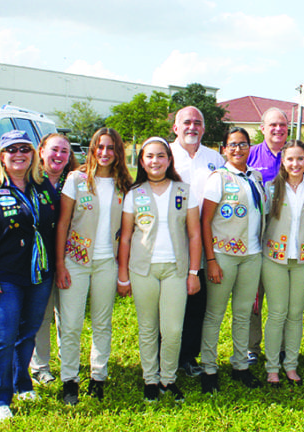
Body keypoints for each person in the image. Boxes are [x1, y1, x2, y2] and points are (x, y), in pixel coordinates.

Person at [0, 130, 57, 422]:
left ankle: (22, 384)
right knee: (4, 337)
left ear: (33, 155)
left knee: (28, 332)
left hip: (39, 275)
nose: (19, 154)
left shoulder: (43, 187)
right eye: (11, 150)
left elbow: (57, 223)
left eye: (25, 149)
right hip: (4, 275)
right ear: (1, 157)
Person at [117, 137, 202, 401]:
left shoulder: (184, 190)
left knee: (173, 329)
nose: (155, 161)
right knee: (148, 327)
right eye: (149, 156)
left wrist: (193, 272)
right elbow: (127, 236)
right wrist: (122, 276)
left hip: (176, 269)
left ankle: (168, 379)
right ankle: (150, 379)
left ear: (169, 159)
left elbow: (195, 235)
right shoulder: (134, 193)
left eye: (161, 156)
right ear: (142, 161)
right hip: (143, 270)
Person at [55, 127, 132, 405]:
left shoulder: (125, 184)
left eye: (111, 148)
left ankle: (98, 377)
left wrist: (123, 271)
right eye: (100, 147)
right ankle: (69, 380)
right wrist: (60, 265)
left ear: (118, 152)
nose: (105, 153)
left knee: (102, 323)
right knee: (72, 324)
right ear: (92, 149)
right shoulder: (76, 179)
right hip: (75, 261)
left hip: (106, 264)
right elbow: (63, 223)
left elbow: (127, 233)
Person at [200, 127, 267, 393]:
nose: (238, 149)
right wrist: (211, 260)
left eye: (243, 144)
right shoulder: (219, 178)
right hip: (224, 256)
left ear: (250, 147)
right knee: (214, 314)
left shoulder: (256, 177)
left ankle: (240, 365)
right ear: (224, 149)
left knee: (242, 314)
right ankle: (208, 368)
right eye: (232, 145)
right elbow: (205, 221)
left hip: (252, 256)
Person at [171, 106, 225, 378]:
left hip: (203, 241)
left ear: (204, 128)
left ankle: (188, 357)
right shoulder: (164, 155)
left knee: (196, 302)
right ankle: (164, 356)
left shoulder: (215, 158)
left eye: (198, 123)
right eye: (187, 122)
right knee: (169, 301)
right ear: (175, 127)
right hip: (169, 241)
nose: (192, 127)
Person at [262, 140, 304, 387]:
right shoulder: (270, 188)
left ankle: (291, 366)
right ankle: (272, 368)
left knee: (296, 315)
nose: (295, 164)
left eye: (300, 159)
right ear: (283, 162)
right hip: (274, 259)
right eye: (290, 159)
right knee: (277, 313)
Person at [30, 133, 79, 385]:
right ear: (41, 151)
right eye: (54, 150)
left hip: (71, 257)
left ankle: (67, 355)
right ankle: (40, 366)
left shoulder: (75, 181)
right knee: (43, 313)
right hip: (41, 260)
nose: (59, 156)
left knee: (67, 312)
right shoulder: (30, 182)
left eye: (64, 152)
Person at [246, 107, 289, 365]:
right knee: (253, 296)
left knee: (279, 296)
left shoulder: (294, 155)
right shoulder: (250, 155)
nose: (278, 129)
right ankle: (252, 347)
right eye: (272, 125)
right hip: (253, 235)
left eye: (282, 125)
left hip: (282, 237)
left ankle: (281, 346)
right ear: (262, 128)